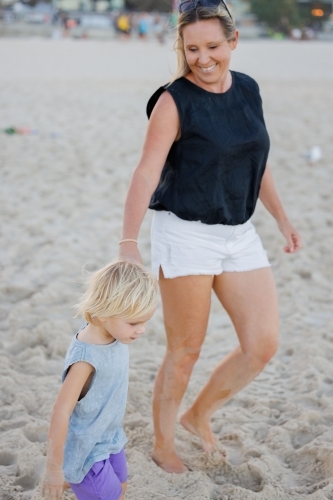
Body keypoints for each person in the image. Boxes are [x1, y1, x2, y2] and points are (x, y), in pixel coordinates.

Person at [119, 0, 301, 474]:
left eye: (213, 46)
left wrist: (281, 218)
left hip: (239, 232)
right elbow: (145, 174)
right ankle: (163, 444)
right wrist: (128, 242)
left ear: (233, 42)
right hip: (186, 233)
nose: (203, 58)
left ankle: (197, 414)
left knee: (262, 344)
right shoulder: (173, 100)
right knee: (185, 350)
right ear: (181, 47)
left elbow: (255, 162)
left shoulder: (248, 90)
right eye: (192, 47)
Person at [40, 259, 157, 500]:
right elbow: (60, 411)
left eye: (145, 321)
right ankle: (71, 476)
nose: (142, 330)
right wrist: (53, 469)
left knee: (121, 486)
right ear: (104, 313)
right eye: (135, 322)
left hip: (110, 434)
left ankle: (74, 482)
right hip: (86, 450)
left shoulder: (115, 332)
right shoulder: (85, 360)